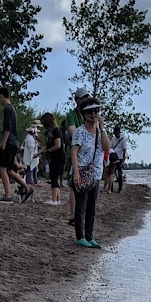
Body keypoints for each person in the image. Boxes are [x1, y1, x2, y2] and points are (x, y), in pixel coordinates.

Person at [70, 96, 110, 248]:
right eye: (90, 112)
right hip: (82, 172)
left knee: (92, 207)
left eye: (96, 111)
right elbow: (74, 152)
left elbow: (106, 147)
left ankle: (89, 236)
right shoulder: (80, 132)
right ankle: (80, 237)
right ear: (84, 114)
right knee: (81, 206)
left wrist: (102, 127)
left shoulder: (99, 132)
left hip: (96, 174)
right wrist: (76, 174)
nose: (94, 114)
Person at [0, 87, 34, 203]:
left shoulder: (7, 109)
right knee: (10, 170)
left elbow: (7, 128)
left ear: (2, 96)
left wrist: (3, 143)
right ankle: (27, 188)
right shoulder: (13, 109)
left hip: (10, 142)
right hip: (15, 142)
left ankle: (8, 195)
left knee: (2, 167)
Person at [64, 86, 90, 223]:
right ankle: (74, 216)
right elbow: (73, 133)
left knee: (86, 186)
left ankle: (82, 214)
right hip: (74, 154)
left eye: (87, 97)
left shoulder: (90, 115)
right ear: (77, 100)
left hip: (88, 156)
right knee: (74, 186)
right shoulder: (71, 115)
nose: (86, 100)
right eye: (83, 98)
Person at [40, 112, 65, 206]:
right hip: (55, 157)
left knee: (54, 177)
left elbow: (57, 145)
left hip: (58, 157)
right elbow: (47, 145)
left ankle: (54, 199)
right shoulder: (50, 132)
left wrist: (48, 151)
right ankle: (57, 199)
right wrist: (39, 152)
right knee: (55, 177)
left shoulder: (56, 131)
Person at [104, 125, 127, 194]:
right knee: (111, 173)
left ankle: (120, 188)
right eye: (115, 134)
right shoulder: (113, 138)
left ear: (119, 133)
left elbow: (124, 150)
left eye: (117, 133)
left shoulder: (123, 139)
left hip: (120, 158)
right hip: (113, 157)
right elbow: (110, 147)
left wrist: (123, 160)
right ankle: (110, 188)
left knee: (119, 174)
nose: (116, 135)